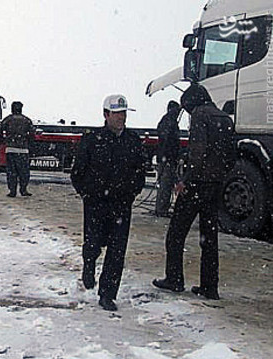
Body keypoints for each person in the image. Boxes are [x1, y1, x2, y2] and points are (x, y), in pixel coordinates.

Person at [153, 84, 235, 300]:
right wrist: (219, 177)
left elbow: (197, 152)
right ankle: (210, 286)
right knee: (209, 239)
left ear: (191, 102)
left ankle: (174, 279)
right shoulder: (226, 118)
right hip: (215, 185)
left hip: (197, 184)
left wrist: (185, 181)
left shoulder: (200, 114)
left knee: (176, 234)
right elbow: (230, 156)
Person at [70, 94, 147, 312]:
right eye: (117, 114)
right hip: (96, 203)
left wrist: (132, 191)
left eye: (123, 113)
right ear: (106, 115)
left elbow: (140, 171)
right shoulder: (93, 140)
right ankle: (89, 264)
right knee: (93, 241)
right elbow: (78, 172)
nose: (121, 118)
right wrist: (87, 193)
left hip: (122, 204)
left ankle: (107, 294)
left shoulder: (133, 141)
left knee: (117, 250)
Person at [0, 101, 35, 197]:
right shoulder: (26, 120)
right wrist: (28, 144)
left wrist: (4, 141)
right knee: (24, 171)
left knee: (11, 171)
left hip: (10, 149)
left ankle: (12, 191)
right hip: (23, 150)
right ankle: (23, 190)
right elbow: (32, 135)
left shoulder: (8, 120)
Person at [155, 100, 182, 216]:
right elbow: (168, 142)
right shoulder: (170, 122)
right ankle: (161, 210)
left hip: (166, 158)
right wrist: (168, 158)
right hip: (167, 159)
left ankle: (162, 208)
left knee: (166, 184)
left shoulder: (166, 121)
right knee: (166, 184)